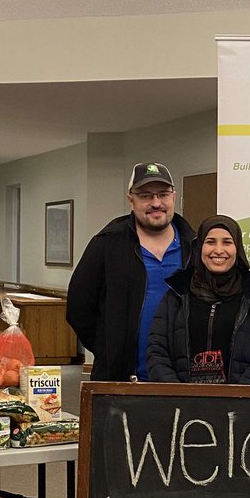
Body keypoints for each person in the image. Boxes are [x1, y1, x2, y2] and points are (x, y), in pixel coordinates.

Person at [66, 162, 194, 380]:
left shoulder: (194, 245)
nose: (156, 203)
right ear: (131, 200)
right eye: (145, 195)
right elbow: (78, 308)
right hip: (120, 379)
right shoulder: (107, 244)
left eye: (163, 194)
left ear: (174, 196)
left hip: (182, 380)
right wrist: (109, 349)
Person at [146, 215, 250, 384]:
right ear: (200, 247)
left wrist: (236, 399)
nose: (218, 250)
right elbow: (157, 352)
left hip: (240, 406)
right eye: (211, 242)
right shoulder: (177, 292)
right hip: (182, 405)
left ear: (238, 248)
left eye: (227, 242)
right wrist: (179, 396)